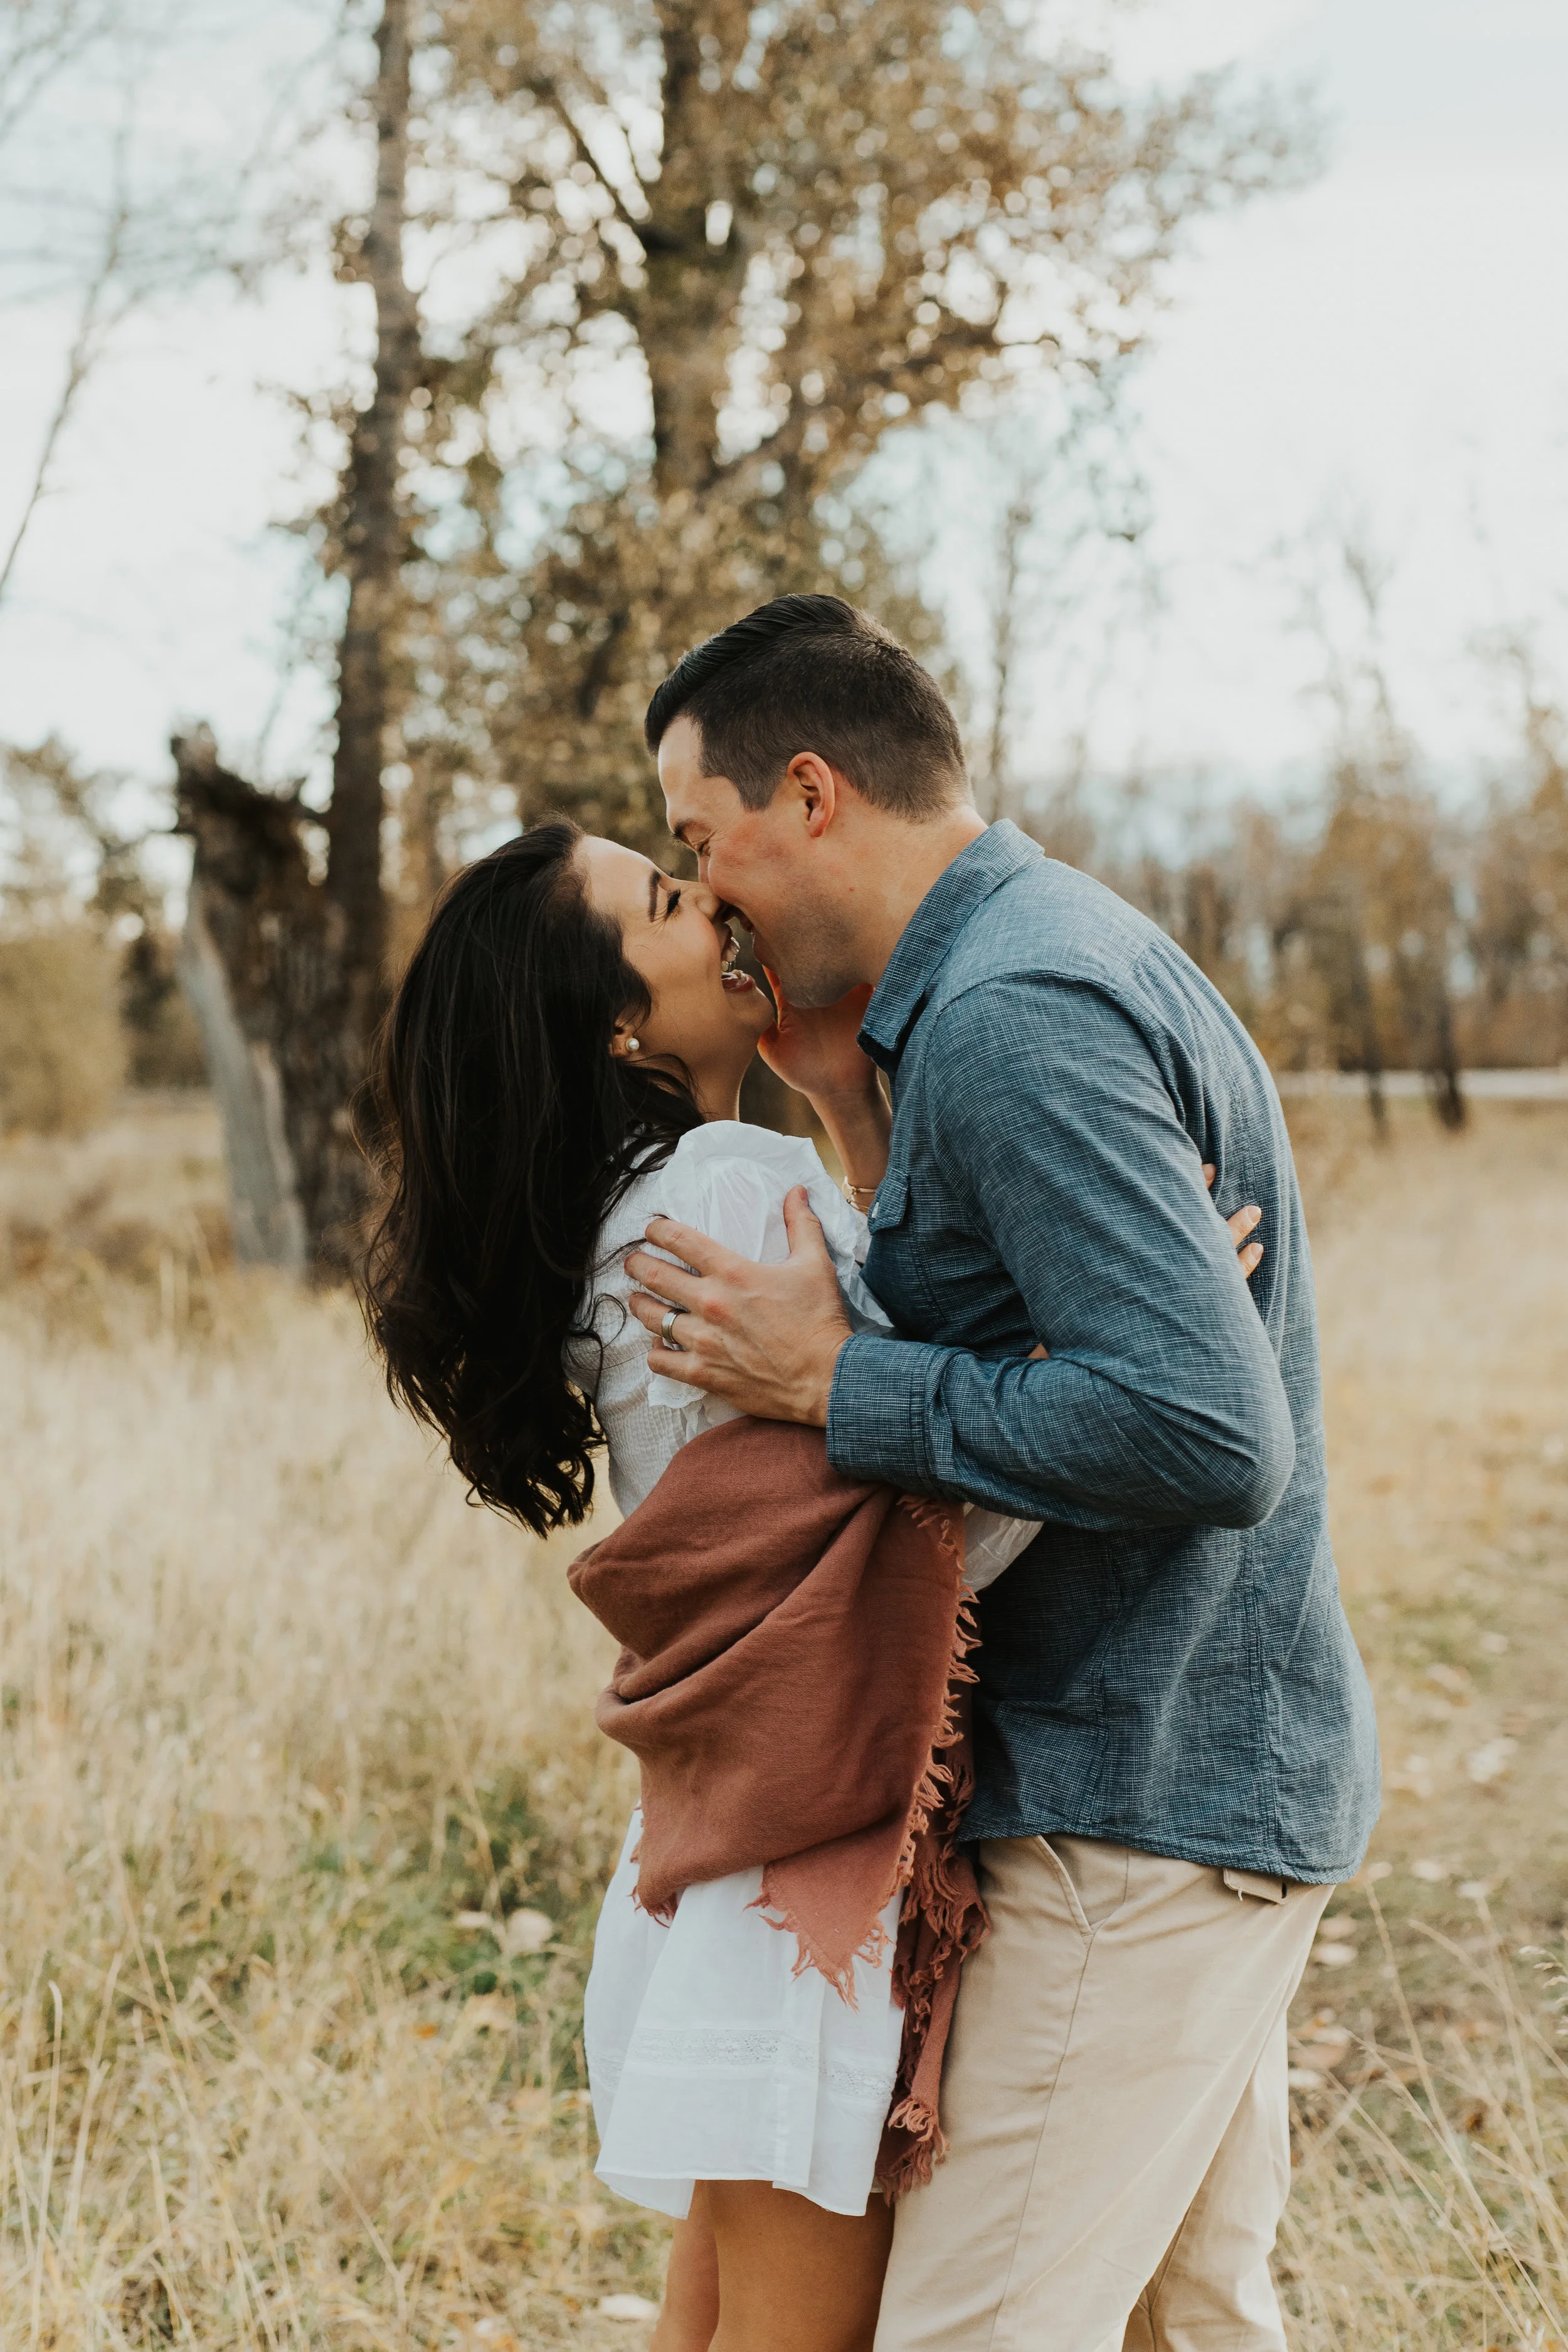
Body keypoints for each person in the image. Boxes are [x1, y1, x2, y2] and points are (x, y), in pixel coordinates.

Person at [360, 811, 1268, 2352]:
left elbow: (823, 1485)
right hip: (799, 1896)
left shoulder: (645, 1203)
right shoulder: (720, 1189)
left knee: (706, 2326)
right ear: (615, 1019)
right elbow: (908, 1558)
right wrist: (1099, 1367)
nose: (710, 899)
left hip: (729, 1858)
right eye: (663, 900)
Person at [620, 594, 1381, 2352]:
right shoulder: (1004, 976)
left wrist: (839, 1376)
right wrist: (851, 1122)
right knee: (1178, 2327)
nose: (703, 883)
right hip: (1194, 1771)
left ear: (805, 790)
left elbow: (1207, 1432)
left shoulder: (1017, 1008)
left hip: (1139, 1806)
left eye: (694, 835)